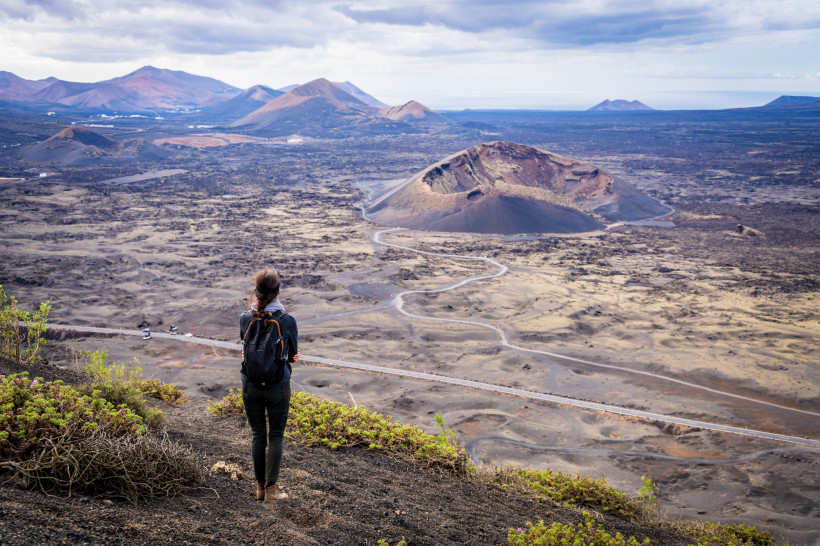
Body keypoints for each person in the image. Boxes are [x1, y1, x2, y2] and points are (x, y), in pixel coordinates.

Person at [239, 269, 300, 502]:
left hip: (250, 385)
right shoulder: (286, 320)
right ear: (278, 291)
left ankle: (259, 488)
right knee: (276, 435)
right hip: (278, 386)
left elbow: (245, 347)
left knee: (257, 434)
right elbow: (292, 352)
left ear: (256, 290)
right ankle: (272, 491)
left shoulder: (245, 317)